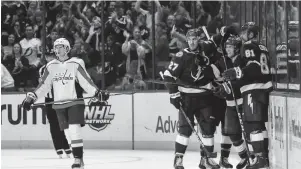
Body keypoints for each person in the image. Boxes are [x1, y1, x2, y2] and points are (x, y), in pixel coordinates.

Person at [21, 38, 110, 169]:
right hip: (58, 105)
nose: (58, 49)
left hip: (74, 102)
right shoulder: (51, 66)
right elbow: (44, 85)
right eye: (56, 47)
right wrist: (32, 97)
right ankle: (79, 157)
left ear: (67, 48)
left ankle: (78, 159)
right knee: (68, 132)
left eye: (61, 46)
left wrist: (97, 92)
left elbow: (86, 80)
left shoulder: (76, 63)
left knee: (74, 129)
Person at [163, 27, 236, 169]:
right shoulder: (180, 56)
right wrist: (174, 94)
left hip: (205, 97)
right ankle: (178, 160)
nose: (192, 42)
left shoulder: (205, 47)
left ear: (198, 39)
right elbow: (168, 75)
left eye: (194, 39)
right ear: (186, 40)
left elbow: (215, 40)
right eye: (189, 39)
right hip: (187, 98)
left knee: (208, 129)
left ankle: (206, 160)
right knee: (184, 130)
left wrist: (223, 32)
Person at [223, 22, 272, 169]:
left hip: (253, 89)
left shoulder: (248, 46)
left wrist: (237, 72)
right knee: (261, 125)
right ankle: (264, 156)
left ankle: (260, 158)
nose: (242, 34)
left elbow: (253, 66)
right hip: (264, 88)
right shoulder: (263, 47)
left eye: (245, 32)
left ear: (251, 34)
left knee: (252, 124)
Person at [213, 35, 249, 169]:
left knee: (247, 132)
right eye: (226, 47)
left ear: (237, 49)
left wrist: (226, 87)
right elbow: (215, 73)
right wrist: (218, 84)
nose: (227, 49)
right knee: (232, 133)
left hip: (242, 103)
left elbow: (241, 81)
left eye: (230, 47)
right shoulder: (224, 61)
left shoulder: (242, 62)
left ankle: (253, 158)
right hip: (230, 105)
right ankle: (245, 157)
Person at [39, 50, 72, 159]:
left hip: (60, 98)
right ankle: (59, 147)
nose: (50, 58)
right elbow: (45, 84)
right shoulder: (43, 69)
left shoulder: (61, 67)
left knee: (61, 123)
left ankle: (65, 146)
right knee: (54, 124)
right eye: (48, 56)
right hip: (49, 99)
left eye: (52, 56)